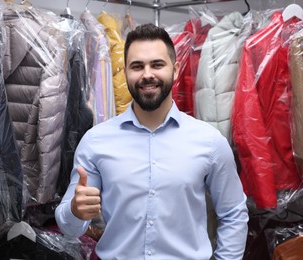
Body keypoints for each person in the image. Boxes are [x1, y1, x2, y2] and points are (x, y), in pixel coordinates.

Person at [55, 23, 248, 259]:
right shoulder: (96, 141)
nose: (147, 74)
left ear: (175, 69)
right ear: (125, 72)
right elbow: (68, 228)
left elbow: (233, 213)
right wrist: (76, 211)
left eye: (157, 64)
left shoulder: (210, 142)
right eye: (137, 66)